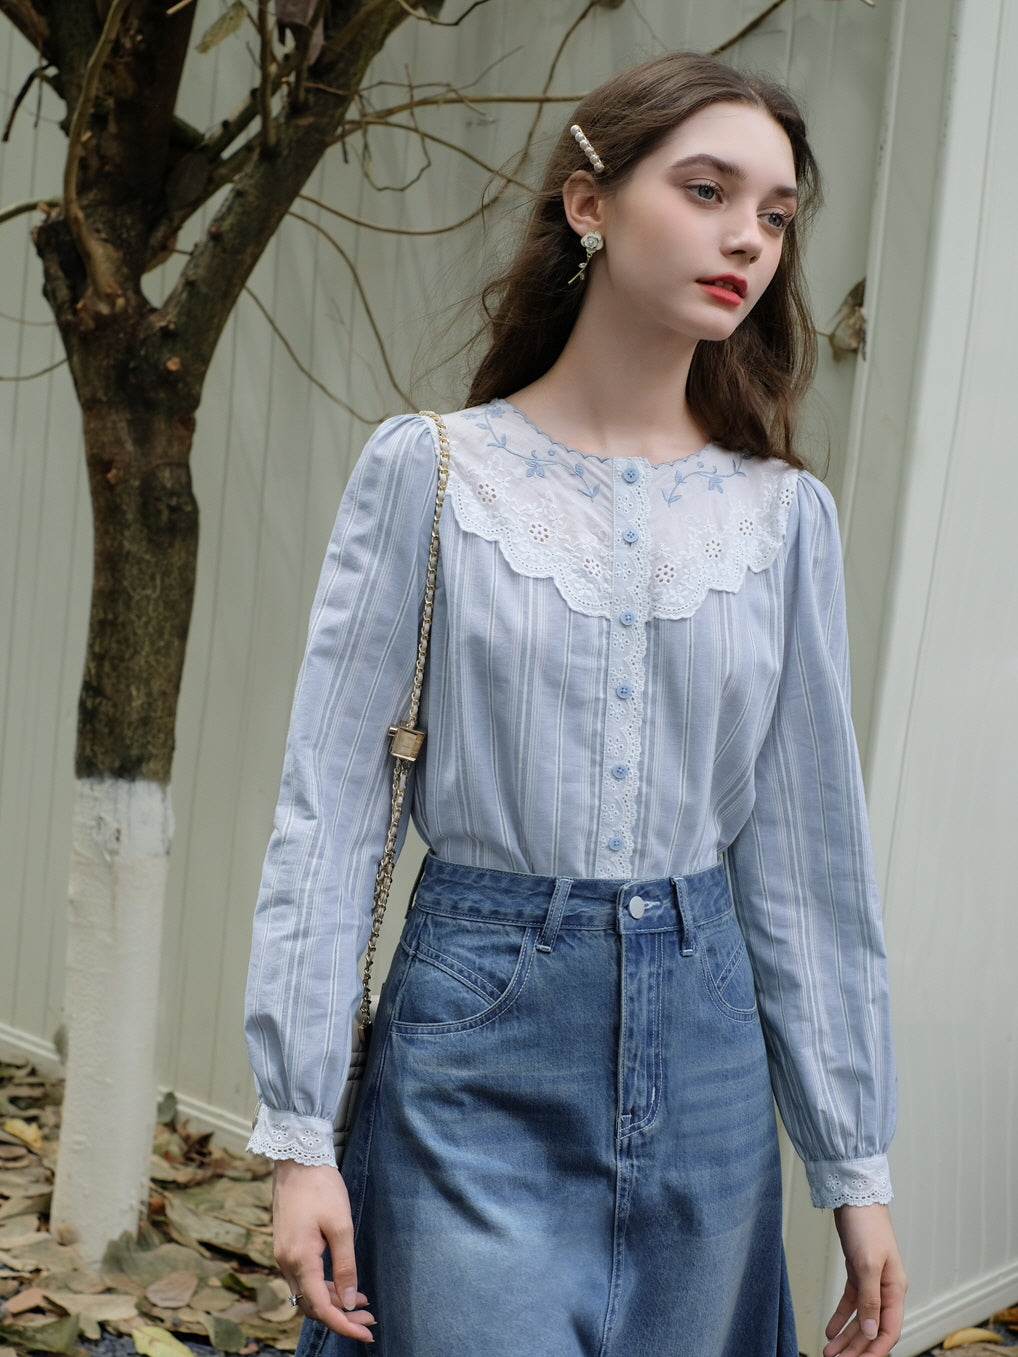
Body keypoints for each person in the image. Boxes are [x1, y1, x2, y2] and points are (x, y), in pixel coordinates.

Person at [244, 51, 906, 1357]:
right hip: (476, 1035)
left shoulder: (780, 520)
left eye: (774, 214)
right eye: (706, 189)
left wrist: (853, 1163)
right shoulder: (432, 473)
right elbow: (330, 809)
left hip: (710, 1049)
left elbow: (805, 859)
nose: (746, 239)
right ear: (586, 205)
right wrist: (297, 1132)